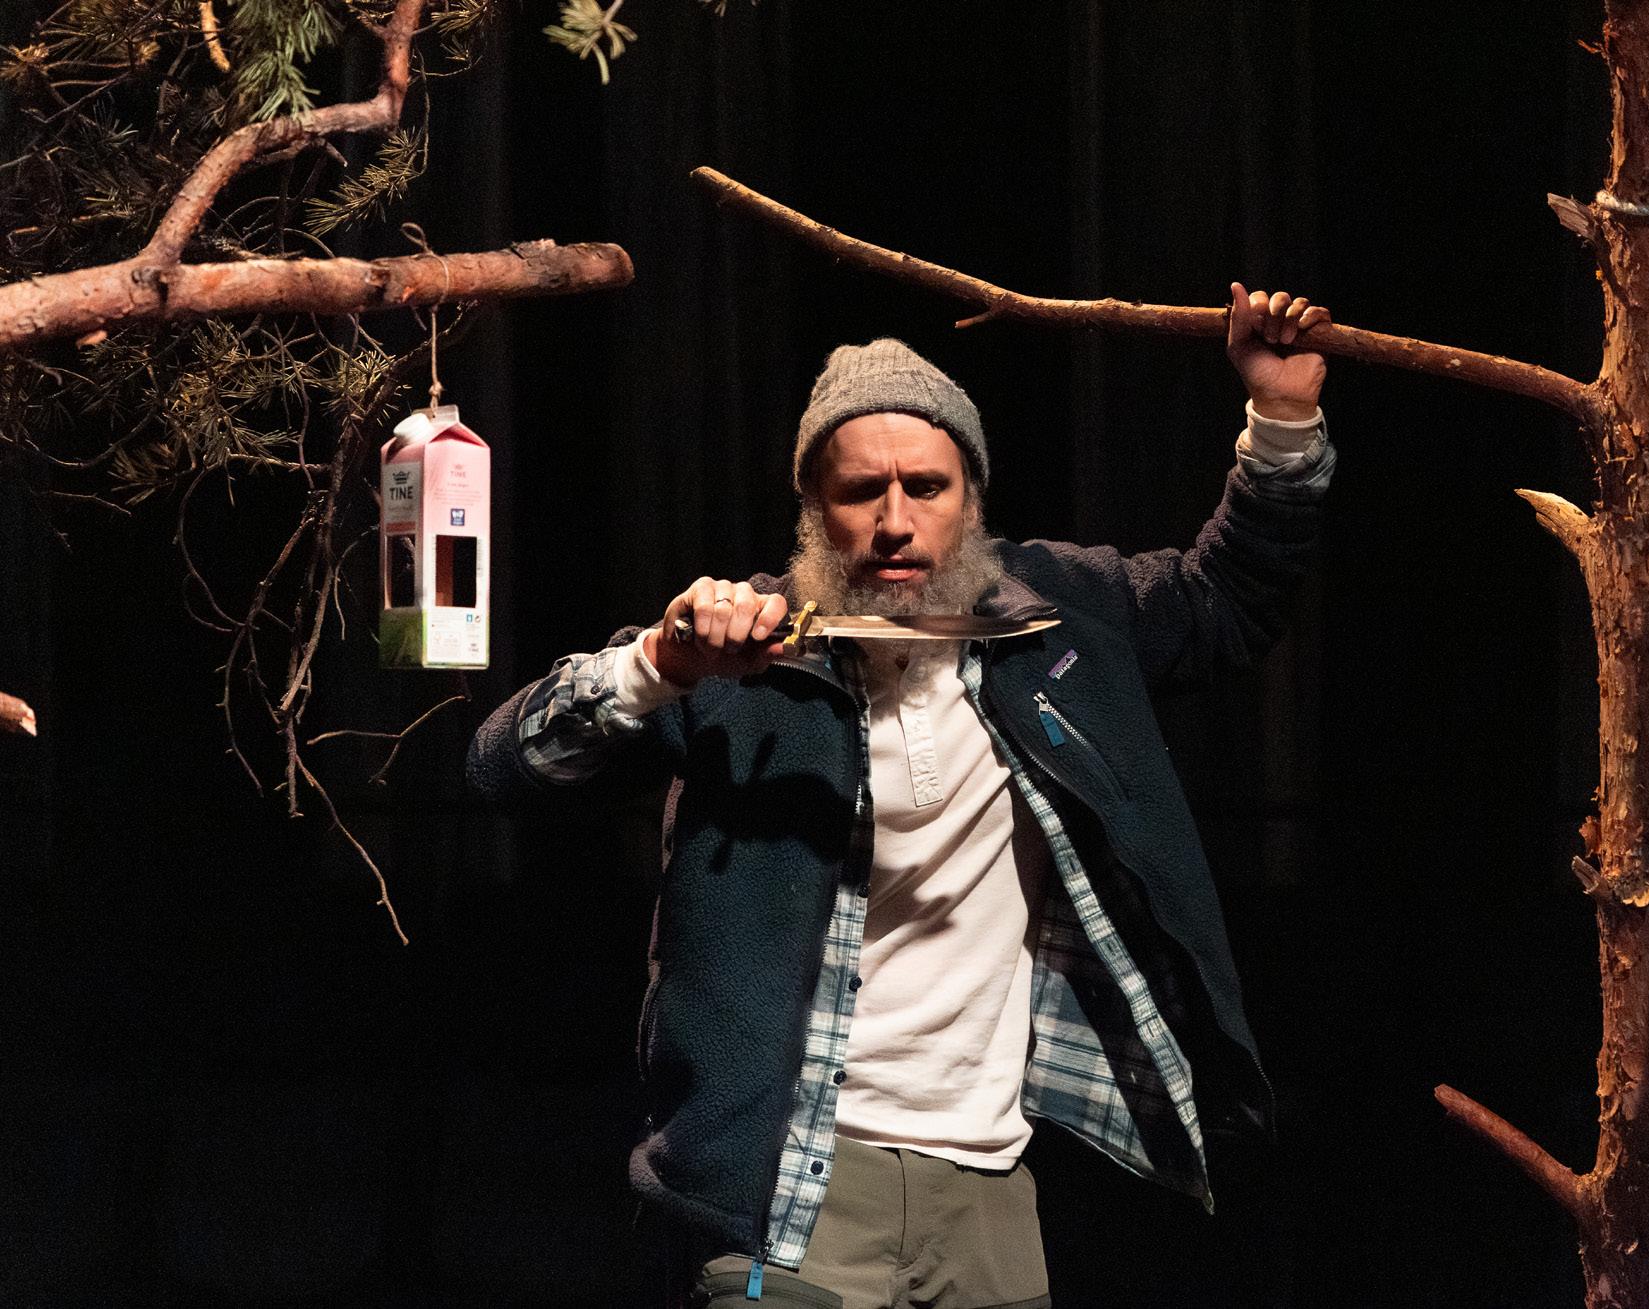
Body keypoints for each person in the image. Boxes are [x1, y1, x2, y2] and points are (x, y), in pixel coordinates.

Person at [466, 284, 1335, 1309]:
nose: (893, 523)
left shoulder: (1053, 618)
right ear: (812, 508)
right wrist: (661, 662)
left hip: (987, 1185)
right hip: (785, 1186)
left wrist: (1282, 414)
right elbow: (505, 763)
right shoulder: (745, 652)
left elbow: (1223, 600)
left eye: (925, 487)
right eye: (859, 492)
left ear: (971, 497)